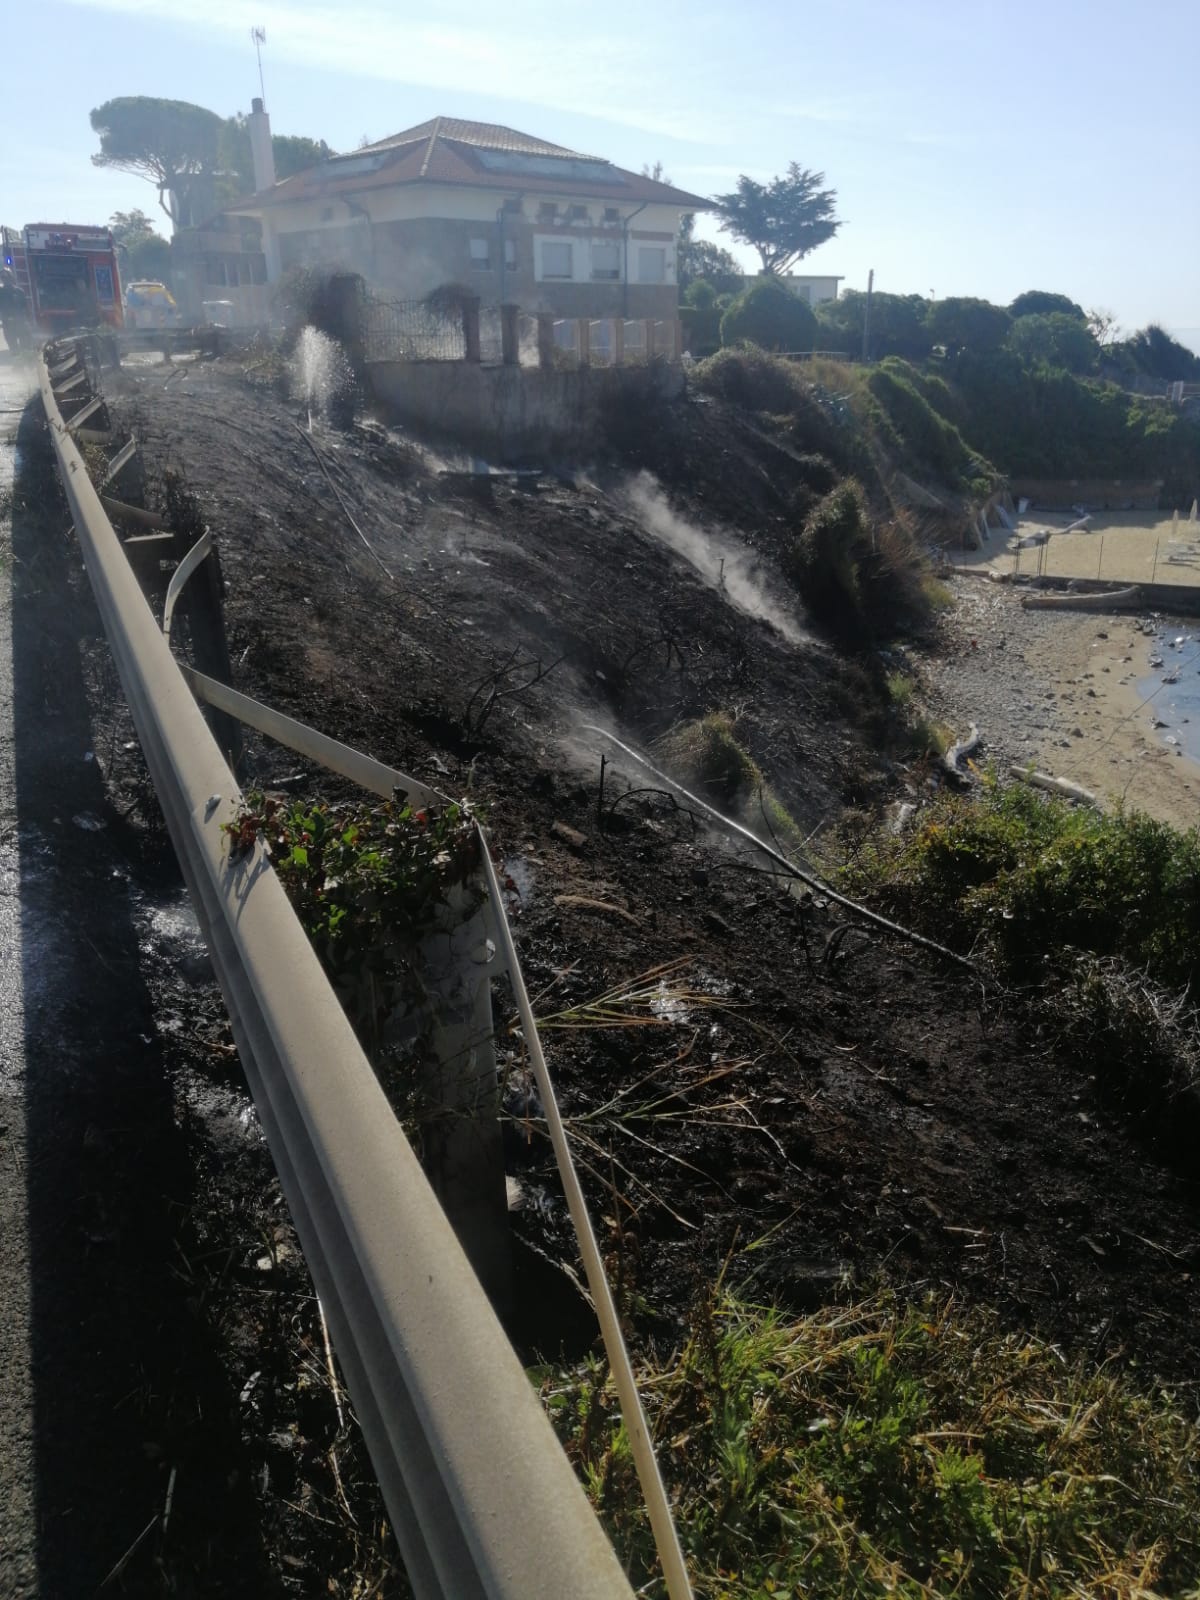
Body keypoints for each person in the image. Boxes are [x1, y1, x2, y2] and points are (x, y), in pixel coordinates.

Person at [0, 268, 31, 352]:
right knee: (13, 347)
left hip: (19, 322)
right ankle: (18, 362)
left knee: (24, 346)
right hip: (8, 323)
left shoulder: (19, 291)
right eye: (3, 278)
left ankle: (24, 362)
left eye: (6, 278)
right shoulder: (2, 292)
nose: (5, 280)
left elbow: (25, 308)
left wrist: (27, 321)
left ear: (11, 278)